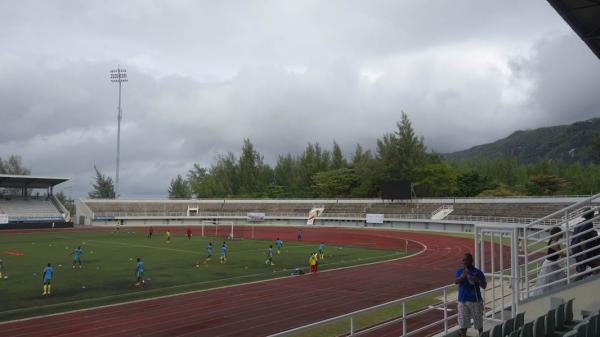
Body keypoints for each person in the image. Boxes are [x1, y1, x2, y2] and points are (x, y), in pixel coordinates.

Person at [455, 253, 487, 337]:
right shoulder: (460, 271)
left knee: (479, 324)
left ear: (471, 261)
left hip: (475, 301)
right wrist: (463, 276)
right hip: (462, 301)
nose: (463, 261)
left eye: (466, 260)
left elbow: (484, 286)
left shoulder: (477, 272)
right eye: (463, 260)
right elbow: (456, 281)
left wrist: (477, 280)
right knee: (463, 325)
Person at [534, 227, 566, 295]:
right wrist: (570, 253)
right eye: (560, 233)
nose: (561, 234)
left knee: (557, 277)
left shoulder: (553, 241)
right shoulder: (555, 243)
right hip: (549, 264)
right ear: (556, 234)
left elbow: (561, 254)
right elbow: (561, 254)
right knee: (547, 282)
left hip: (551, 263)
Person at [571, 209, 599, 277]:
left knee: (582, 264)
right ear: (592, 215)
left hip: (575, 247)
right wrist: (584, 251)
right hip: (581, 248)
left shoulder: (579, 224)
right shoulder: (589, 224)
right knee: (585, 265)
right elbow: (583, 238)